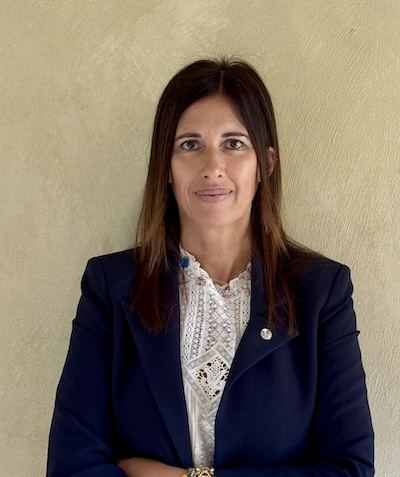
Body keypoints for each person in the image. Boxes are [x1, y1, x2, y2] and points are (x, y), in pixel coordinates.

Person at [46, 58, 374, 477]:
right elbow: (72, 466)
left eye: (234, 143)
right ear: (165, 166)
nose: (212, 167)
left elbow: (350, 469)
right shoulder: (110, 287)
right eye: (189, 145)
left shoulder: (321, 292)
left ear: (266, 164)